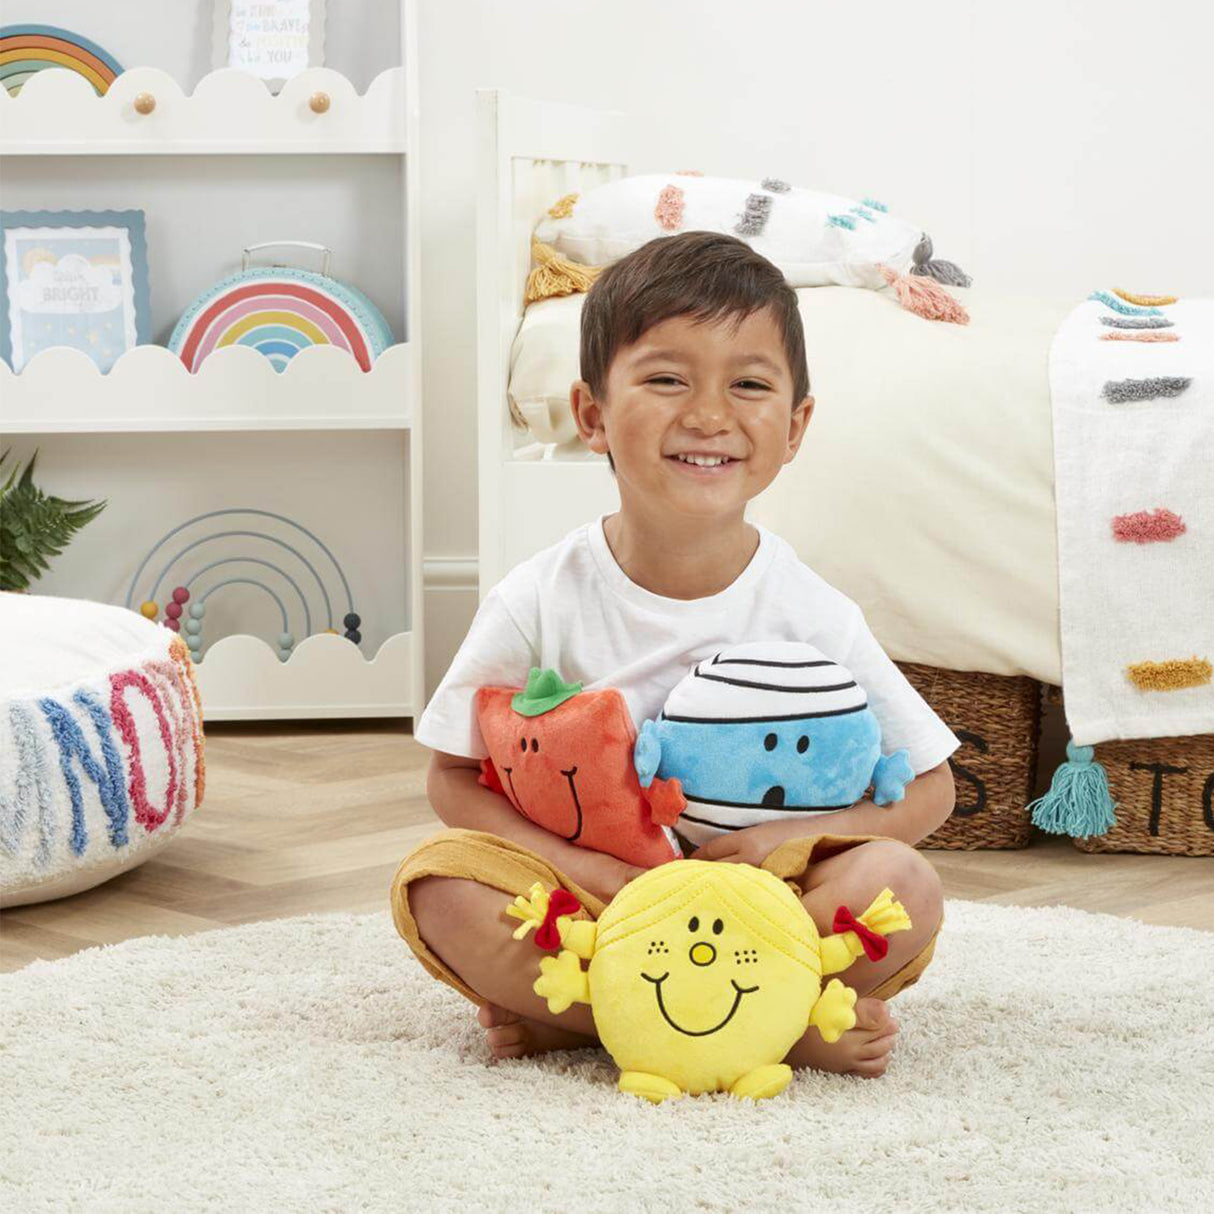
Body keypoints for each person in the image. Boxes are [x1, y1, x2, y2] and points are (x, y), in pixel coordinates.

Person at [391, 231, 957, 1078]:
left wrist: (789, 843)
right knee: (437, 882)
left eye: (750, 385)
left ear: (795, 424)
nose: (708, 415)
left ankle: (679, 1017)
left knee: (903, 883)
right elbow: (451, 777)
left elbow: (930, 786)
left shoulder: (810, 610)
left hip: (772, 908)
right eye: (666, 379)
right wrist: (577, 864)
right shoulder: (539, 596)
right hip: (601, 899)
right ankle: (671, 1019)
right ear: (591, 416)